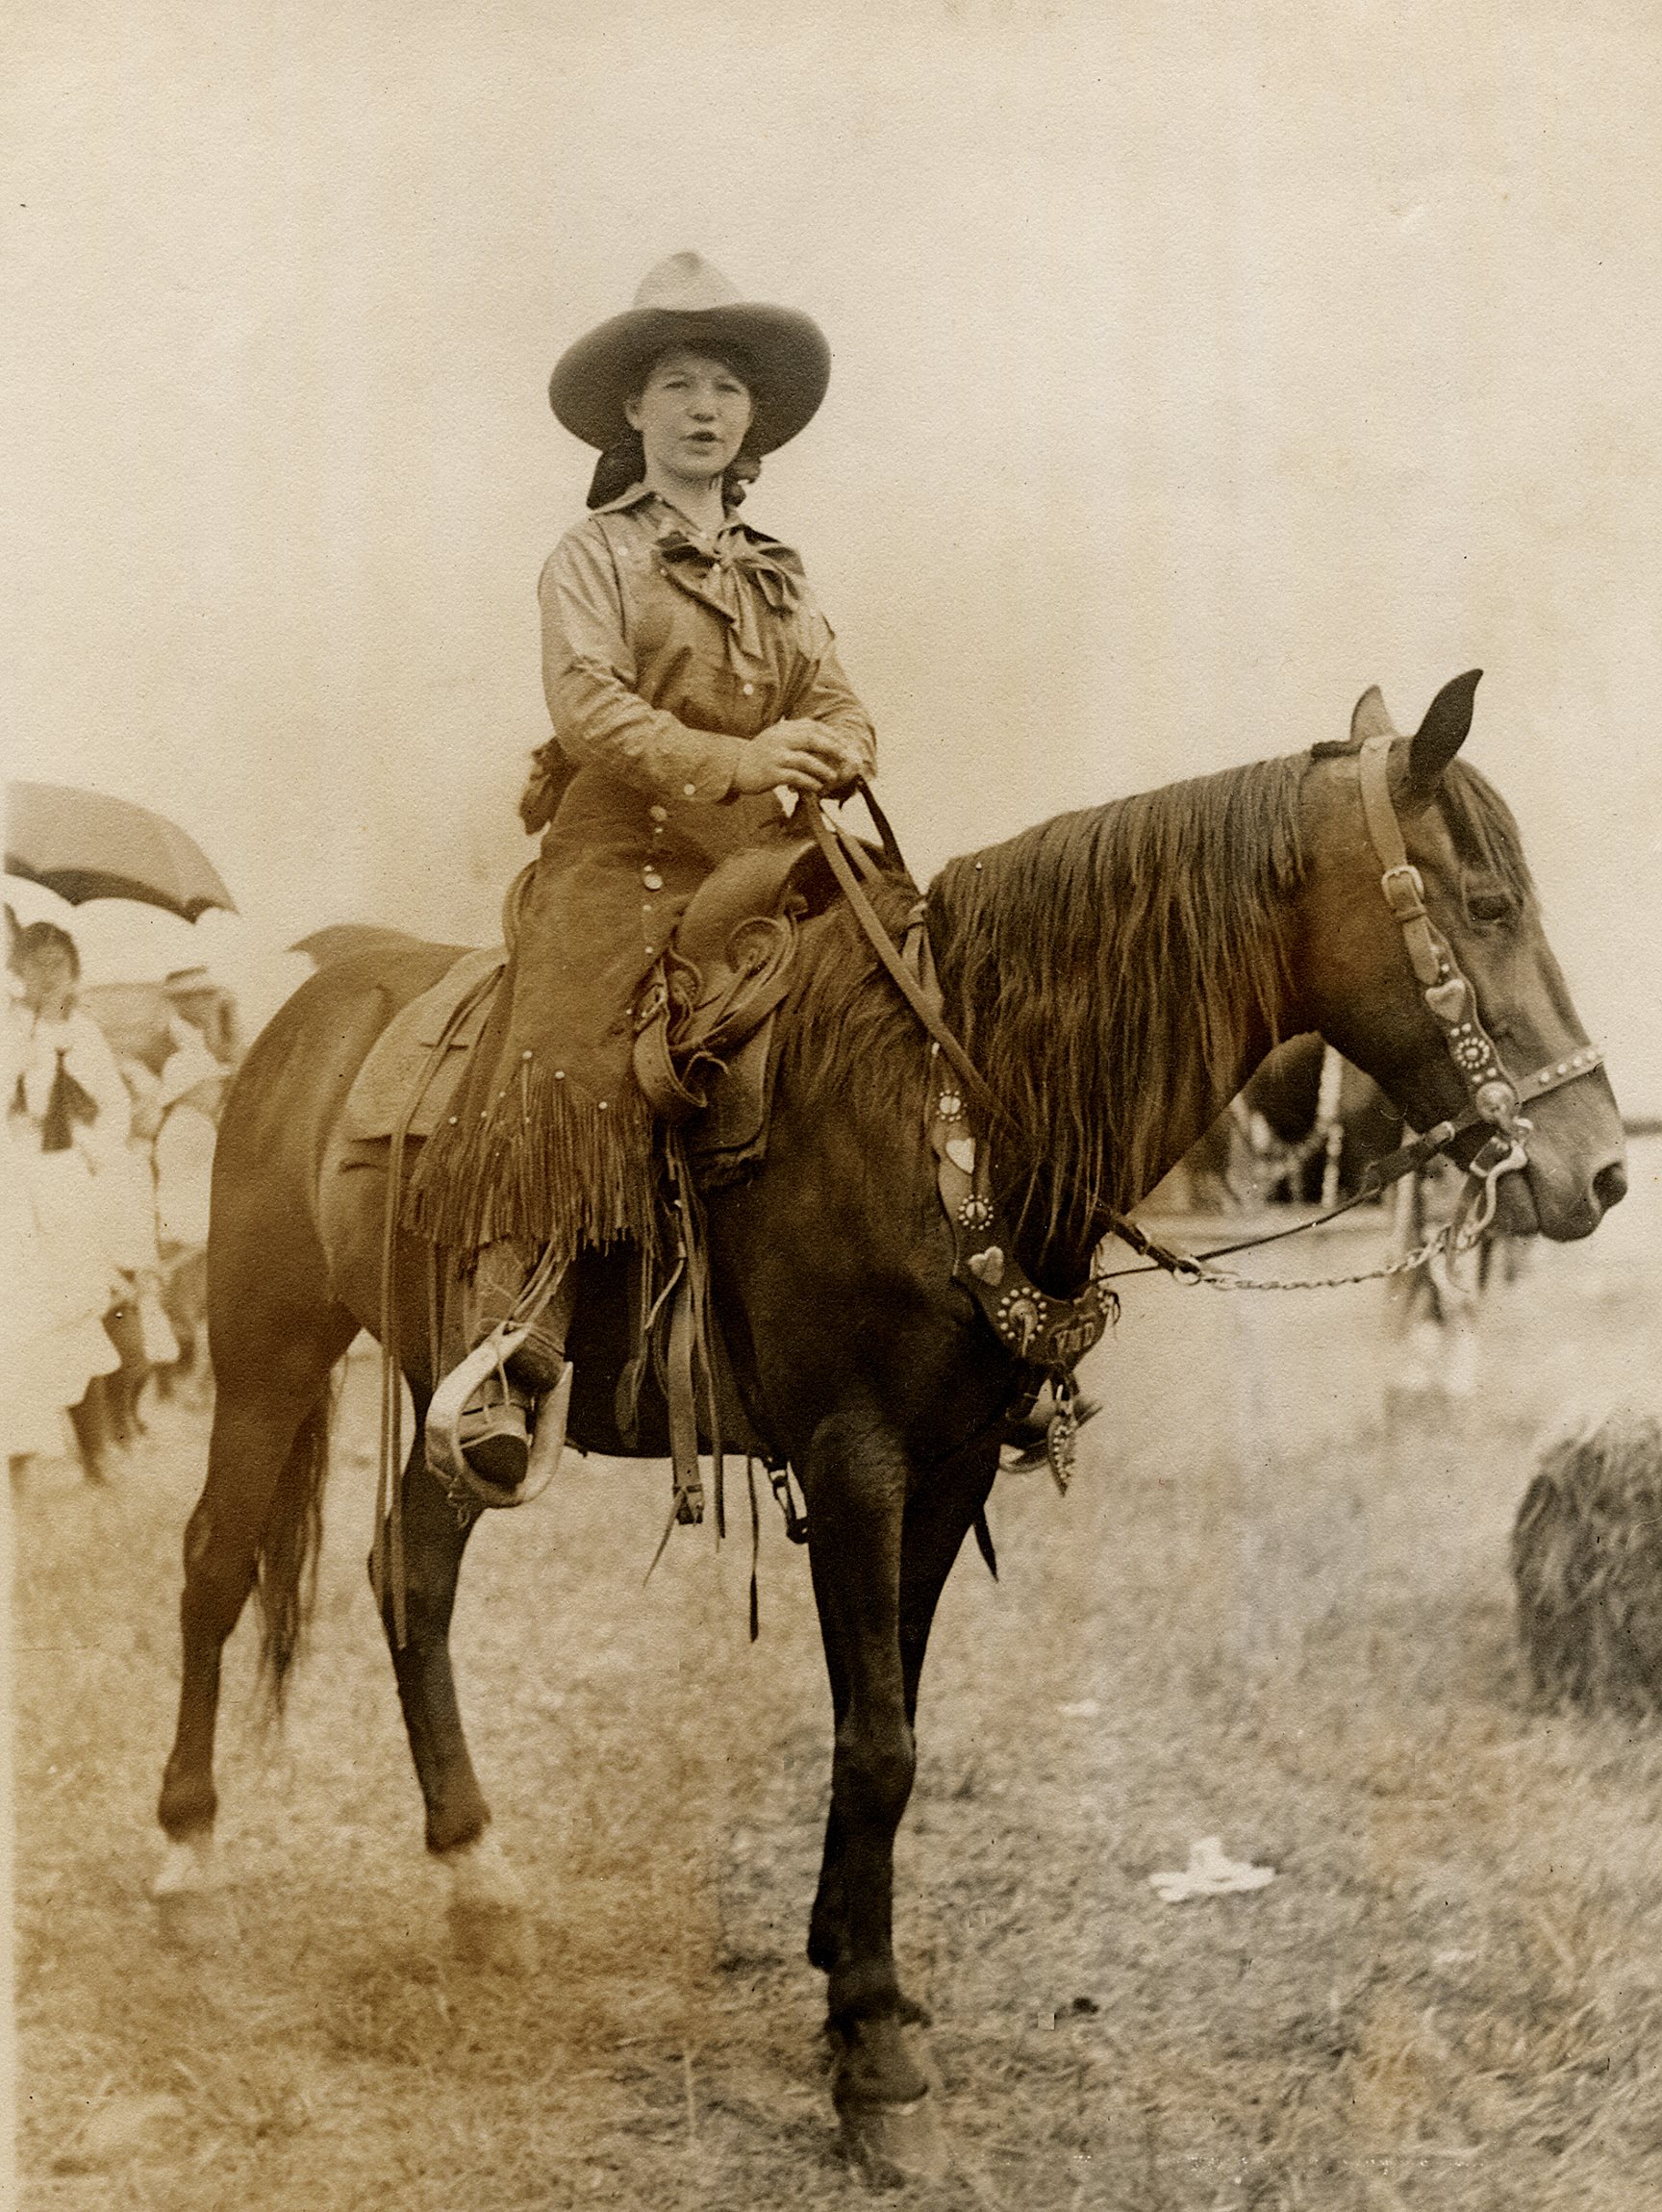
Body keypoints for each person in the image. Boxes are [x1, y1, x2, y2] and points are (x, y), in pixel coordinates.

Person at [406, 252, 876, 1499]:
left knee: (906, 982)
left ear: (750, 419)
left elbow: (837, 698)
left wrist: (840, 746)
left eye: (726, 385)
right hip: (625, 851)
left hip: (764, 857)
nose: (705, 407)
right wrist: (743, 756)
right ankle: (515, 1343)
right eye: (679, 383)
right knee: (570, 1041)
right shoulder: (591, 558)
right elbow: (590, 712)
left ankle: (934, 1315)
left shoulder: (781, 570)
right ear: (634, 412)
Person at [5, 920, 138, 1482]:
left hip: (71, 1183)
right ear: (18, 969)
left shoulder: (86, 1034)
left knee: (84, 1313)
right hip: (15, 1182)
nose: (47, 974)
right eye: (35, 963)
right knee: (18, 1321)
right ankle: (17, 1459)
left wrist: (92, 1149)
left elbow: (116, 1108)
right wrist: (26, 1054)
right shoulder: (10, 1028)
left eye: (57, 963)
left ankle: (96, 1448)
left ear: (73, 971)